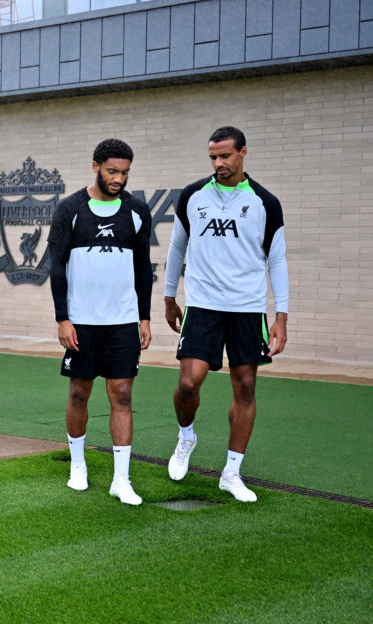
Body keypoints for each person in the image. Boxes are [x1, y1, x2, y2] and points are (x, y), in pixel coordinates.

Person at [164, 126, 288, 503]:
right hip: (202, 305)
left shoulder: (266, 202)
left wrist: (280, 316)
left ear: (243, 153)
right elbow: (176, 248)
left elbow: (277, 260)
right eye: (212, 157)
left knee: (245, 386)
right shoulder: (192, 196)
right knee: (189, 383)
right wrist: (169, 297)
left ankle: (231, 472)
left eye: (225, 156)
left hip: (247, 308)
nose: (218, 163)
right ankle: (186, 436)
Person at [47, 138, 152, 505]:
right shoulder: (69, 209)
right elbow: (55, 267)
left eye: (124, 173)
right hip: (82, 321)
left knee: (122, 394)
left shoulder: (137, 211)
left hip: (122, 320)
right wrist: (63, 318)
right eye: (112, 171)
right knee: (79, 392)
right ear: (95, 166)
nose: (118, 179)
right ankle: (78, 465)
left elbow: (142, 268)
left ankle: (121, 480)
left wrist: (144, 316)